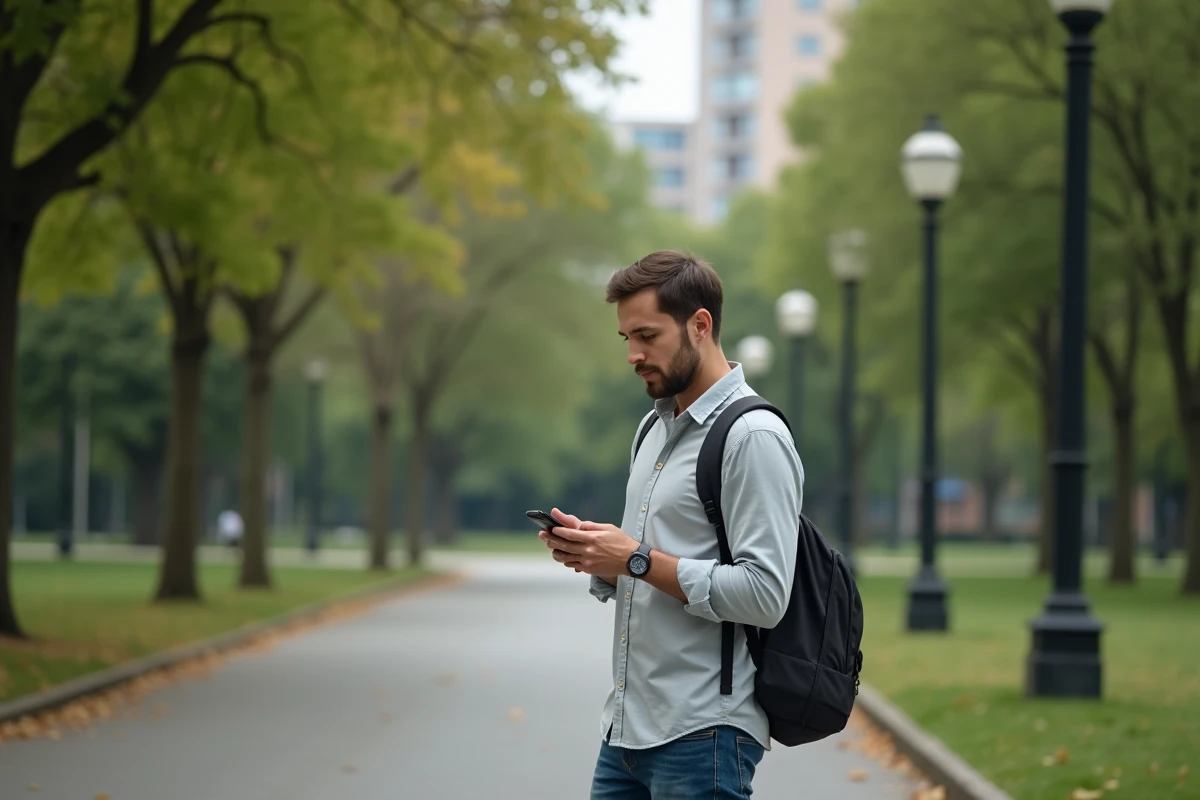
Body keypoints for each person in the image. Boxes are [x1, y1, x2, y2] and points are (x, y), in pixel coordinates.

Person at [539, 251, 803, 800]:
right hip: (627, 730)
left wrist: (635, 558)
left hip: (703, 734)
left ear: (699, 325)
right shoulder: (652, 430)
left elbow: (765, 594)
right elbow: (655, 565)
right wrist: (600, 557)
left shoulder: (753, 437)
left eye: (647, 335)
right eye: (626, 339)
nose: (633, 355)